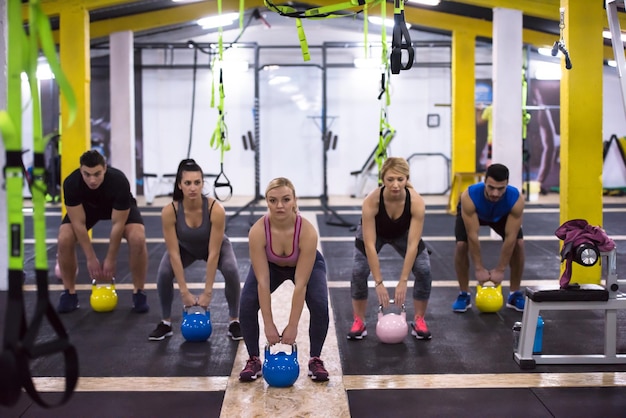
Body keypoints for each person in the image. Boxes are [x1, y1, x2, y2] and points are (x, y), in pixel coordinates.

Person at [238, 177, 330, 382]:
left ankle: (315, 359)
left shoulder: (306, 232)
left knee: (319, 303)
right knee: (246, 303)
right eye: (273, 200)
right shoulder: (258, 232)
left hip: (307, 265)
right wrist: (269, 324)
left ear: (295, 200)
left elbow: (301, 285)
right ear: (267, 201)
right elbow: (262, 281)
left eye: (286, 199)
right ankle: (254, 359)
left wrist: (292, 325)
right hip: (271, 266)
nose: (279, 205)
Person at [148, 159, 242, 341]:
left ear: (202, 183)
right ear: (179, 185)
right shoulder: (170, 211)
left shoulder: (215, 209)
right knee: (164, 272)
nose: (193, 188)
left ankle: (234, 321)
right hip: (185, 249)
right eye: (188, 183)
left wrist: (207, 293)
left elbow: (214, 253)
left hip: (215, 247)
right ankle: (165, 323)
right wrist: (184, 292)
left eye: (197, 183)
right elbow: (174, 253)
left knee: (231, 269)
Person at [347, 157, 433, 341]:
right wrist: (378, 283)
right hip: (374, 233)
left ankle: (419, 320)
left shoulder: (416, 202)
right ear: (382, 179)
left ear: (407, 179)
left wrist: (403, 280)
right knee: (358, 271)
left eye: (400, 180)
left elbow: (412, 244)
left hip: (402, 233)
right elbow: (369, 244)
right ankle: (359, 321)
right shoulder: (371, 201)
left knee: (424, 270)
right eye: (390, 179)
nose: (395, 185)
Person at [56, 150, 149, 313]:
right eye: (87, 174)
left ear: (105, 168)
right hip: (87, 210)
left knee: (137, 237)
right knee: (64, 238)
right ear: (80, 170)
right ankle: (69, 293)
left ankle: (139, 293)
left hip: (118, 210)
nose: (92, 180)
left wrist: (111, 258)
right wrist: (90, 258)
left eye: (97, 174)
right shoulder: (71, 183)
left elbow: (118, 224)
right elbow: (78, 224)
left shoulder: (119, 181)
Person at [452, 163, 525, 313]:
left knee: (518, 243)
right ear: (484, 181)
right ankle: (463, 294)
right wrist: (478, 268)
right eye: (491, 187)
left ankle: (514, 294)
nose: (495, 194)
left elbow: (510, 237)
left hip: (501, 214)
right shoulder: (469, 196)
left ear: (507, 185)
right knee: (461, 245)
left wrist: (500, 269)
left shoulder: (515, 199)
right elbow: (473, 235)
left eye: (500, 189)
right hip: (476, 212)